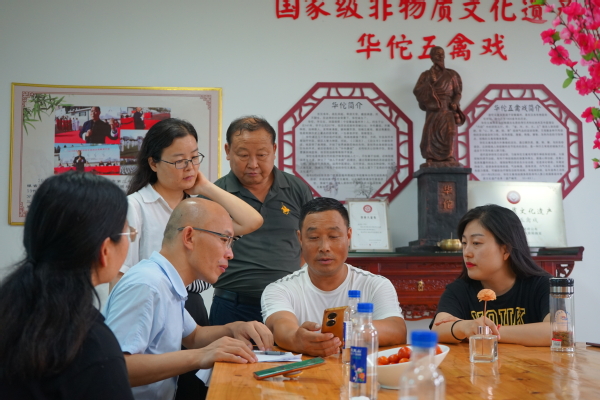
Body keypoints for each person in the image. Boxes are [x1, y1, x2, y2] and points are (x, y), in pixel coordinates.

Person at [110, 118, 262, 399]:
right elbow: (121, 280)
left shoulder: (197, 207)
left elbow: (252, 220)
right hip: (145, 305)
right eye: (180, 161)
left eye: (194, 158)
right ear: (153, 163)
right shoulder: (136, 213)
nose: (190, 167)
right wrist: (202, 353)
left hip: (182, 302)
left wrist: (235, 328)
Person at [104, 198, 273, 400]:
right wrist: (201, 355)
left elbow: (194, 336)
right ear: (189, 237)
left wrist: (234, 329)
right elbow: (116, 367)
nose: (230, 254)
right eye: (224, 239)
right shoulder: (148, 284)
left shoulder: (167, 282)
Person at [0, 172, 134, 399]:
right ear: (104, 250)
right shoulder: (92, 348)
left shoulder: (10, 309)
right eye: (127, 233)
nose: (129, 240)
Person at [262, 197, 406, 357]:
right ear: (300, 238)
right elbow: (281, 327)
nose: (324, 247)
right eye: (314, 237)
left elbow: (397, 330)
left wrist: (346, 331)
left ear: (348, 236)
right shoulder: (279, 289)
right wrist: (297, 339)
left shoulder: (375, 285)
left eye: (334, 236)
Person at [209, 116, 313, 325]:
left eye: (262, 155)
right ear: (228, 151)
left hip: (287, 305)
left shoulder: (297, 189)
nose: (253, 164)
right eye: (243, 155)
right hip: (232, 305)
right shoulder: (215, 194)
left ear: (274, 150)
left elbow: (310, 238)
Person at [430, 204, 552, 347]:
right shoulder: (459, 290)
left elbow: (558, 331)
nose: (466, 252)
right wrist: (465, 326)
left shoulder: (542, 285)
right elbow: (437, 329)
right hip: (478, 362)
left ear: (506, 250)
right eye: (464, 243)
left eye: (476, 243)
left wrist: (485, 332)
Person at [413, 46, 465, 167]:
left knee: (450, 132)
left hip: (447, 107)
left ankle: (449, 155)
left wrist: (455, 102)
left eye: (442, 54)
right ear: (431, 57)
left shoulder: (452, 74)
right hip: (433, 107)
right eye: (437, 54)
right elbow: (417, 90)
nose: (440, 56)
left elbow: (458, 93)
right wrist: (429, 84)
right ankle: (430, 156)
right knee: (431, 133)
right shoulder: (426, 75)